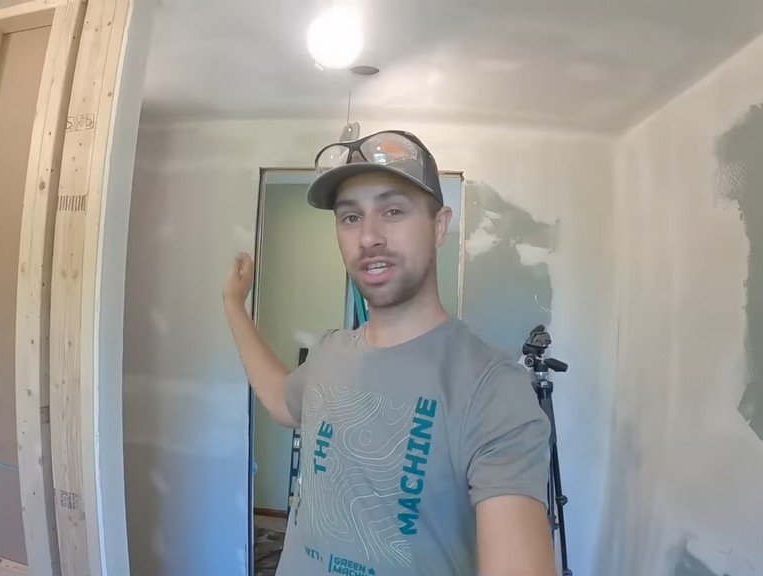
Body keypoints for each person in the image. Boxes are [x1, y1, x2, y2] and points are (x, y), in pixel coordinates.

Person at [223, 130, 556, 576]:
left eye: (393, 210)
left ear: (440, 226)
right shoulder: (328, 353)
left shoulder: (493, 389)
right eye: (350, 218)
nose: (369, 237)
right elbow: (283, 401)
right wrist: (234, 306)